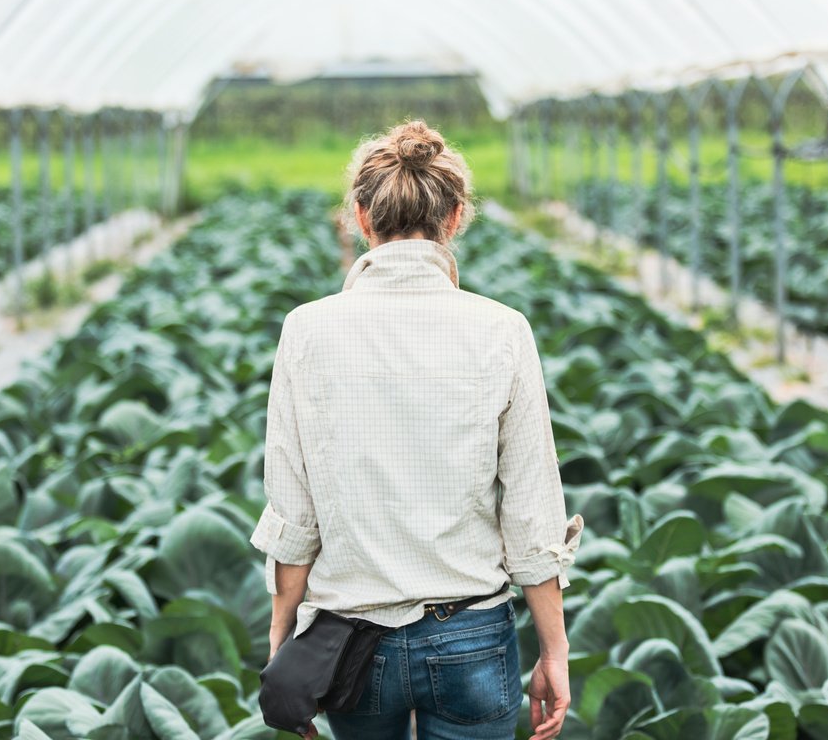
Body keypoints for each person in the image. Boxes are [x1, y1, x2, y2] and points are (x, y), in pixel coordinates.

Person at [250, 119, 584, 740]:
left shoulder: (307, 329)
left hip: (351, 642)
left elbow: (294, 515)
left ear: (359, 217)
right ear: (456, 217)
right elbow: (533, 513)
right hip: (472, 637)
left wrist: (283, 638)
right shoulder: (503, 329)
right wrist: (554, 652)